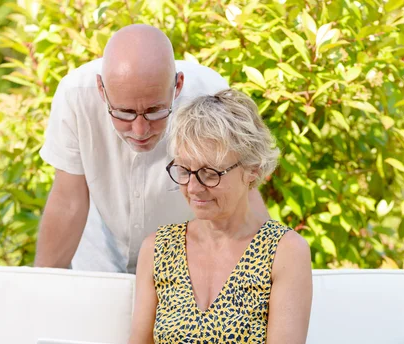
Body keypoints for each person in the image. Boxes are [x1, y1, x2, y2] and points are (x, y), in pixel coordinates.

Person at [43, 89, 313, 344]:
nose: (193, 187)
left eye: (209, 173)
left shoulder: (285, 250)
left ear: (252, 171)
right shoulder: (158, 247)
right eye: (184, 171)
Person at [36, 24, 268, 273]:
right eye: (124, 113)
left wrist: (267, 266)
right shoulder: (75, 95)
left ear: (178, 86)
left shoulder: (208, 92)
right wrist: (41, 288)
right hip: (98, 258)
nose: (140, 130)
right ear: (102, 90)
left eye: (154, 111)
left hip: (182, 264)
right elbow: (68, 202)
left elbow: (239, 193)